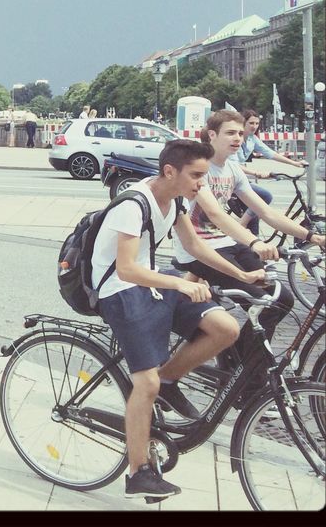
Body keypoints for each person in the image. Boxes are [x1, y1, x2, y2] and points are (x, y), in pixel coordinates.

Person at [90, 138, 252, 499]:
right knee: (143, 384)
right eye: (196, 175)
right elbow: (127, 269)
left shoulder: (176, 199)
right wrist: (179, 283)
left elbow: (195, 247)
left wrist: (242, 276)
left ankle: (167, 380)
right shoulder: (132, 205)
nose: (201, 184)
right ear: (169, 171)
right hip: (119, 289)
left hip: (151, 280)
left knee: (226, 328)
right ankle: (138, 473)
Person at [172, 111, 324, 310]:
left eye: (240, 133)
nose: (237, 138)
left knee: (283, 301)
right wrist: (255, 241)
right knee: (262, 303)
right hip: (198, 249)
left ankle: (247, 341)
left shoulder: (233, 170)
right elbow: (215, 213)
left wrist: (314, 237)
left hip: (226, 242)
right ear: (212, 135)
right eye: (230, 133)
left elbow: (265, 211)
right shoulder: (200, 167)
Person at [233, 109, 306, 233]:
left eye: (256, 123)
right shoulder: (235, 138)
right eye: (251, 123)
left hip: (240, 178)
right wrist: (255, 172)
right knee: (265, 196)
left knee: (254, 217)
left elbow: (269, 153)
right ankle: (240, 226)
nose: (254, 126)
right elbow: (232, 164)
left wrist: (295, 163)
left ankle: (251, 242)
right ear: (242, 123)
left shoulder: (252, 139)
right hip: (231, 178)